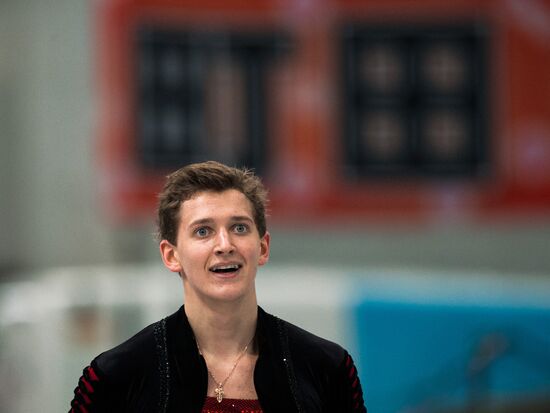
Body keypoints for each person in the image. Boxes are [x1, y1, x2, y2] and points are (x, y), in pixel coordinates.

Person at [69, 161, 367, 413]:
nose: (225, 245)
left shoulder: (327, 368)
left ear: (262, 247)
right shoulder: (117, 375)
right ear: (171, 256)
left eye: (239, 228)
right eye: (203, 231)